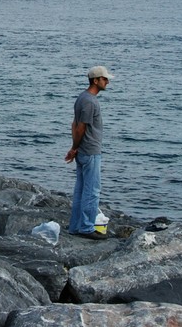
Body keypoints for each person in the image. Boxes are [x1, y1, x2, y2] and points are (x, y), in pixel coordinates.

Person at [65, 66, 112, 240]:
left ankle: (75, 226)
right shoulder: (90, 101)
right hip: (90, 151)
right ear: (95, 80)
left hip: (84, 150)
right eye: (105, 79)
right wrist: (74, 148)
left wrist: (75, 147)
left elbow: (74, 124)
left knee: (81, 189)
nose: (107, 82)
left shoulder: (82, 98)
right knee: (92, 190)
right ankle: (85, 227)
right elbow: (80, 127)